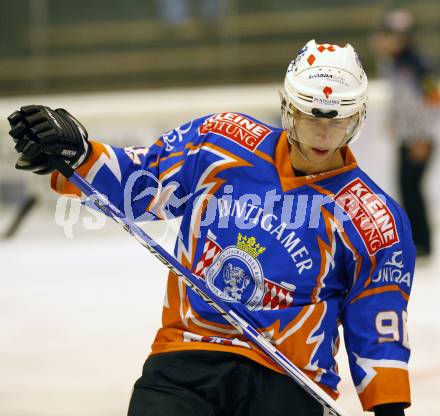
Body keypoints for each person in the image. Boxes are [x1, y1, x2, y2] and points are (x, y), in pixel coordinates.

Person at [7, 40, 415, 416]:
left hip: (289, 378)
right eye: (311, 119)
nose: (324, 135)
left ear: (357, 119)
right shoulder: (219, 143)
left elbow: (376, 314)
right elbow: (143, 180)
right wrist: (79, 156)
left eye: (338, 121)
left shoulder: (374, 217)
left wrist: (388, 406)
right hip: (188, 353)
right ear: (289, 109)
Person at [373, 9, 439, 258]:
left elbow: (434, 100)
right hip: (406, 137)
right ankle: (416, 241)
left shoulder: (420, 66)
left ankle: (424, 243)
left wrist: (424, 136)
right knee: (406, 188)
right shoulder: (393, 65)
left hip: (420, 138)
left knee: (413, 189)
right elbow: (400, 99)